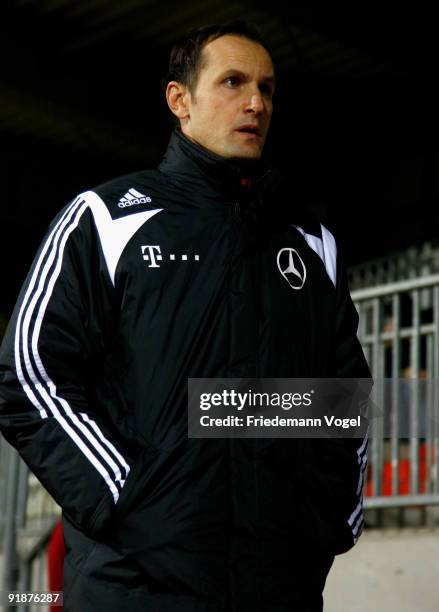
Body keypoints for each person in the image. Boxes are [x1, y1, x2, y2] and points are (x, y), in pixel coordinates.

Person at [0, 20, 371, 612]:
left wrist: (328, 515)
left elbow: (340, 396)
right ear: (180, 100)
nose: (256, 102)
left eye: (268, 89)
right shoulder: (106, 218)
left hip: (280, 586)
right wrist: (127, 498)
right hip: (135, 586)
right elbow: (30, 373)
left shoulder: (311, 242)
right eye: (232, 82)